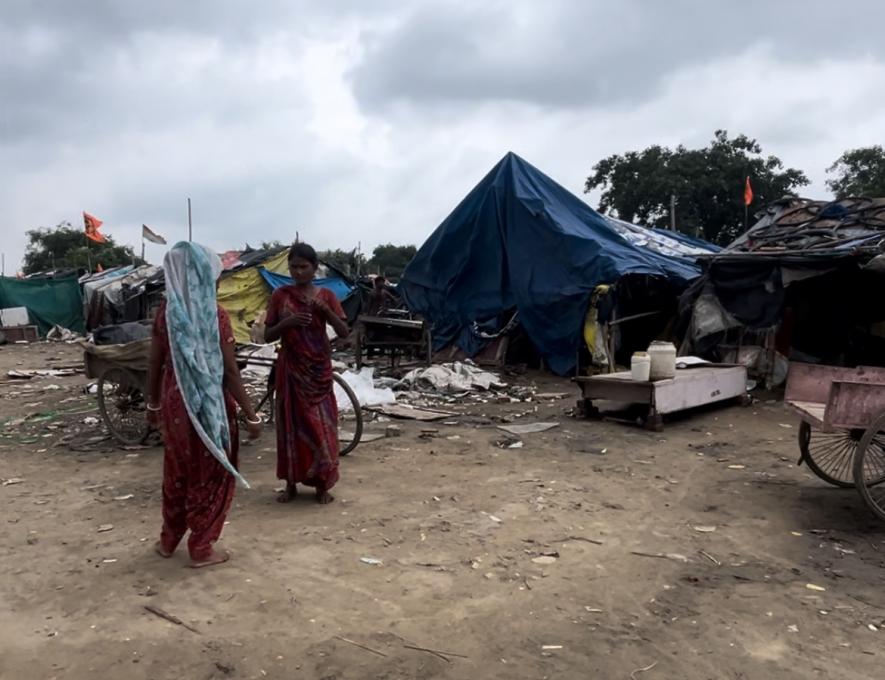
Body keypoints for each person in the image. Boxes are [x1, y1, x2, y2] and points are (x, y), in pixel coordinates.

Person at [147, 242, 261, 568]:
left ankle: (168, 541)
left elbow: (154, 364)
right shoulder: (216, 316)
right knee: (210, 474)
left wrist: (153, 406)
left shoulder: (166, 314)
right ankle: (202, 547)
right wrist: (251, 415)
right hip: (210, 410)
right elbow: (229, 371)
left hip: (174, 404)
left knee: (177, 471)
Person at [264, 243, 349, 504]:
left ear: (315, 269)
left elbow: (344, 332)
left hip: (318, 370)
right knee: (290, 424)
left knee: (322, 425)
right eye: (294, 267)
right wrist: (287, 323)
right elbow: (268, 334)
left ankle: (322, 484)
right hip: (291, 369)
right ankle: (290, 482)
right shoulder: (280, 296)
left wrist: (325, 311)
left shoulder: (327, 296)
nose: (298, 272)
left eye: (304, 267)